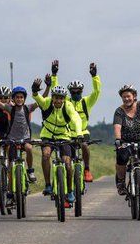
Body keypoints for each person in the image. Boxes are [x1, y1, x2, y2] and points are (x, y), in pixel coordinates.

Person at [31, 78, 83, 206]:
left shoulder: (68, 106)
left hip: (64, 136)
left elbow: (76, 119)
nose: (58, 100)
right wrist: (34, 91)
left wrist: (79, 133)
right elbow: (38, 99)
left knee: (68, 163)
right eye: (56, 98)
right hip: (47, 135)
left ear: (64, 99)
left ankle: (70, 191)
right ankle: (48, 185)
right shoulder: (47, 103)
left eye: (61, 98)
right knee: (46, 155)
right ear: (52, 97)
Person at [50, 60, 101, 182]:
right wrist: (54, 75)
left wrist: (94, 76)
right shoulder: (66, 101)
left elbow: (97, 91)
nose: (75, 93)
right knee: (68, 160)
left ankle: (87, 169)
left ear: (82, 91)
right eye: (73, 91)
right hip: (68, 133)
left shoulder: (86, 101)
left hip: (82, 131)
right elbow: (55, 90)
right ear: (70, 92)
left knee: (84, 145)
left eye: (78, 91)